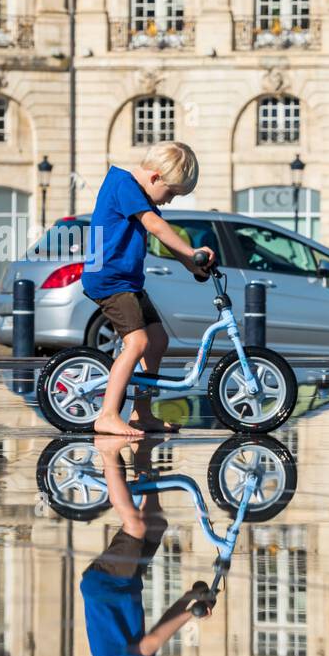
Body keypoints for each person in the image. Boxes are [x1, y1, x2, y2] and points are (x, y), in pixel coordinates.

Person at [83, 141, 216, 437]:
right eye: (171, 193)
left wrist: (191, 264)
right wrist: (192, 249)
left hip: (127, 281)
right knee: (138, 343)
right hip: (109, 279)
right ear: (155, 177)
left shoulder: (141, 194)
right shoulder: (123, 184)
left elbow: (163, 237)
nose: (168, 201)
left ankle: (141, 414)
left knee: (157, 340)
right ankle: (106, 414)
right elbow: (156, 226)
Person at [79, 437, 205, 656]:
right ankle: (142, 448)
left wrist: (190, 616)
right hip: (123, 586)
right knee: (155, 524)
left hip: (107, 587)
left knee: (135, 526)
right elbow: (160, 630)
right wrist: (190, 599)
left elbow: (154, 639)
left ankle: (108, 454)